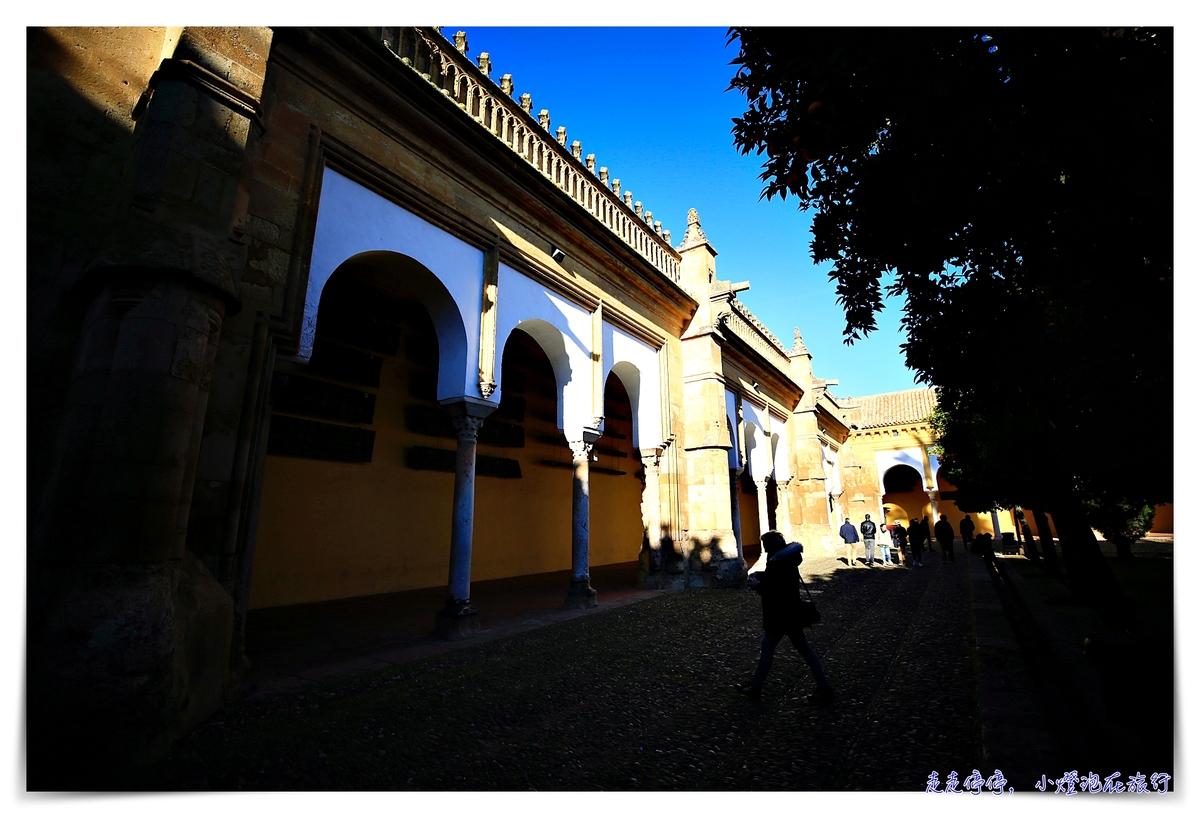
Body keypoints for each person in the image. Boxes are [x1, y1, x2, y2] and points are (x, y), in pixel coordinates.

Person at [737, 531, 835, 703]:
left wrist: (758, 586)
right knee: (804, 651)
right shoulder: (784, 559)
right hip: (790, 614)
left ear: (770, 546)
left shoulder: (778, 563)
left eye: (765, 544)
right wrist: (761, 576)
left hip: (780, 615)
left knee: (769, 648)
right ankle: (823, 686)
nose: (764, 548)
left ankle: (755, 687)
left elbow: (778, 590)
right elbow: (777, 580)